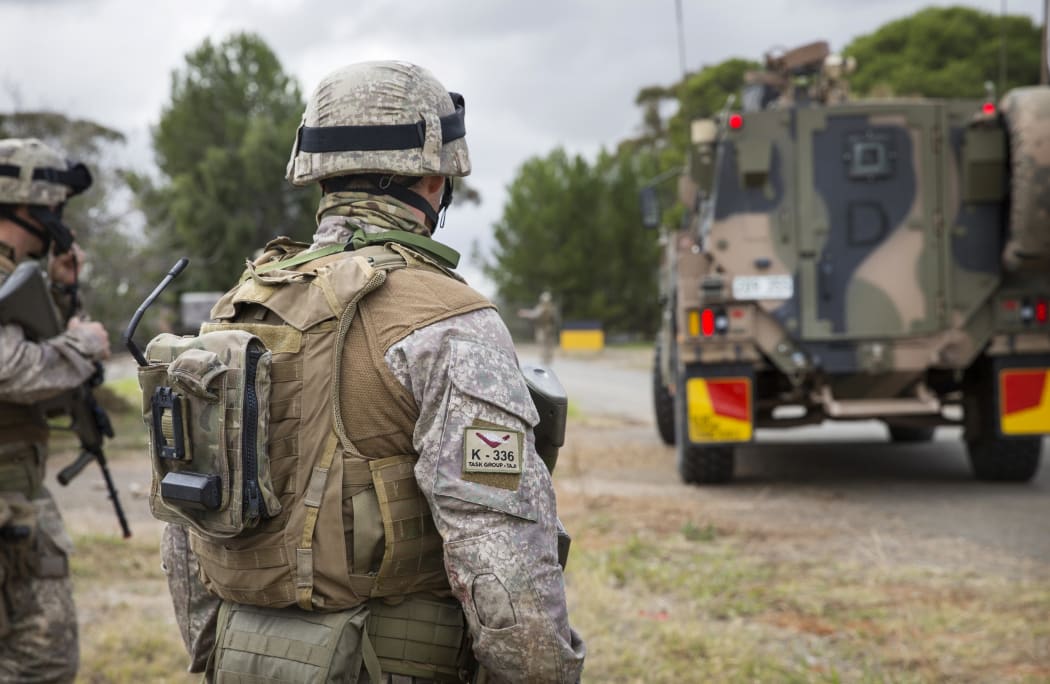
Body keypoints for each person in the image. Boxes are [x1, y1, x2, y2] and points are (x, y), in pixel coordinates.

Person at [160, 60, 585, 683]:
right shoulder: (448, 320)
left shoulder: (238, 306)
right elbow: (502, 557)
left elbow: (186, 531)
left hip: (241, 658)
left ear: (318, 175)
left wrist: (215, 655)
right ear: (436, 178)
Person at [0, 137, 110, 683]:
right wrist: (84, 344)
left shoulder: (18, 276)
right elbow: (13, 370)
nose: (60, 220)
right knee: (40, 663)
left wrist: (66, 291)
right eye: (55, 207)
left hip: (16, 498)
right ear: (26, 204)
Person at [517, 290, 557, 365]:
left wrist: (525, 313)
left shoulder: (551, 308)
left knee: (548, 344)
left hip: (548, 328)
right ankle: (545, 358)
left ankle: (548, 358)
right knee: (542, 343)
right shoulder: (542, 307)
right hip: (542, 328)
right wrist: (525, 313)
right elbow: (534, 314)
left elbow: (535, 315)